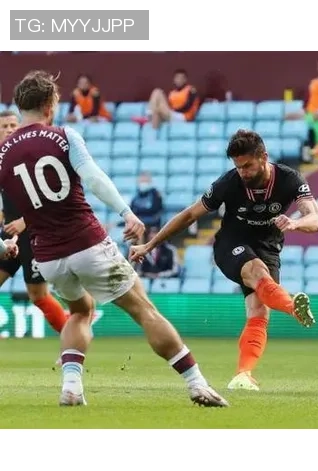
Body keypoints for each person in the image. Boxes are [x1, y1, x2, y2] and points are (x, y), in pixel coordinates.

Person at [0, 70, 228, 408]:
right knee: (144, 310)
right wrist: (126, 213)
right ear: (50, 105)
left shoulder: (2, 153)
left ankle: (72, 386)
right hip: (86, 243)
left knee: (79, 311)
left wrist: (2, 245)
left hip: (47, 256)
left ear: (20, 108)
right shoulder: (64, 136)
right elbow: (93, 178)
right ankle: (197, 384)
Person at [130, 129, 318, 391]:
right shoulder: (228, 183)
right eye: (238, 166)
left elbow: (315, 220)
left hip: (268, 246)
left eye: (248, 166)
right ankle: (293, 308)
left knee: (259, 311)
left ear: (264, 157)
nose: (243, 172)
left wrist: (295, 223)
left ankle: (243, 375)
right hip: (231, 244)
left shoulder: (290, 179)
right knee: (257, 271)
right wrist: (149, 245)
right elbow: (189, 215)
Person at [0, 110, 68, 335]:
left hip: (34, 233)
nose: (9, 130)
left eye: (13, 125)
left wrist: (24, 220)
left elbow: (50, 196)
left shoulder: (27, 156)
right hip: (10, 235)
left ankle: (72, 337)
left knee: (38, 295)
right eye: (4, 126)